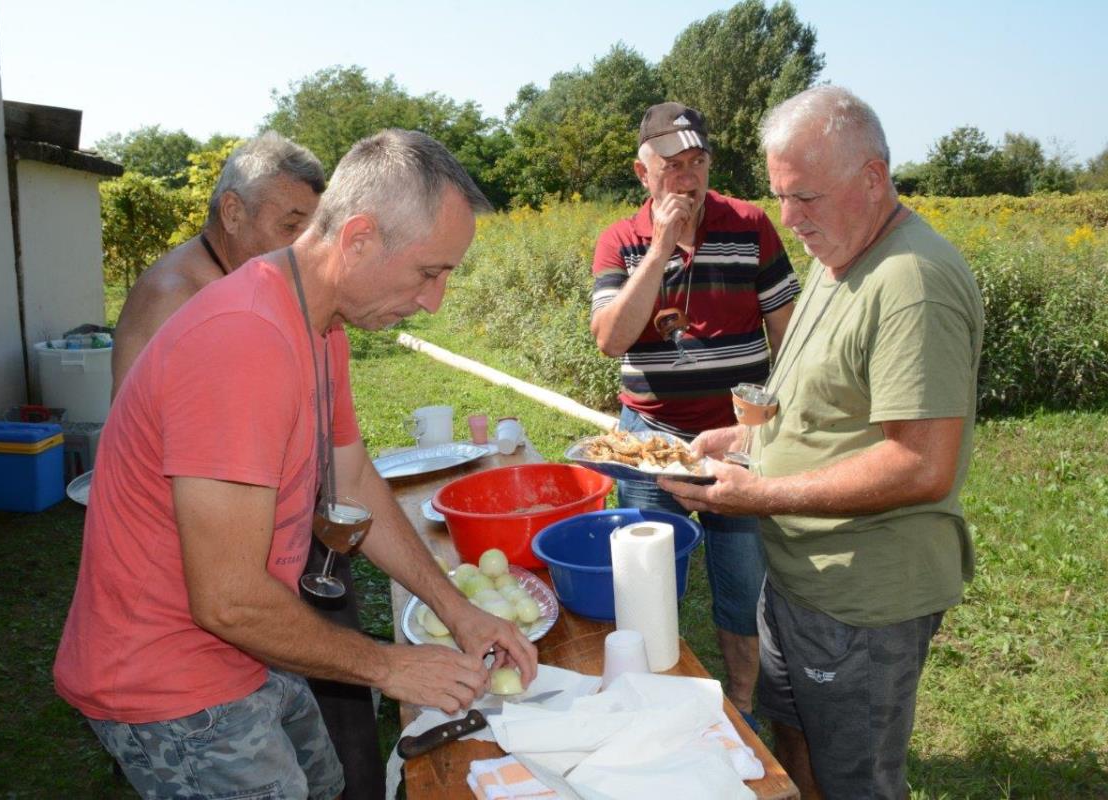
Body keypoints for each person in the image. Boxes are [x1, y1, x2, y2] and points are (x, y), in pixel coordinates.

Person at [54, 129, 538, 800]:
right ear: (359, 237)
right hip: (170, 678)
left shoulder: (320, 322)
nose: (436, 301)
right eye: (430, 272)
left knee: (328, 783)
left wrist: (457, 610)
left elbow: (357, 479)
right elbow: (225, 598)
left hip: (253, 639)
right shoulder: (242, 341)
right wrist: (389, 666)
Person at [660, 86, 984, 799]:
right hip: (802, 582)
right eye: (780, 196)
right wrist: (743, 442)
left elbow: (921, 464)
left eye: (805, 197)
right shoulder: (841, 257)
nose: (789, 219)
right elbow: (826, 401)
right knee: (798, 739)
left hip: (862, 601)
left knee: (856, 779)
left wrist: (761, 494)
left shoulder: (911, 283)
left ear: (872, 179)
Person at [589, 102, 799, 721]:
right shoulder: (621, 240)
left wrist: (770, 424)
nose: (688, 178)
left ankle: (739, 706)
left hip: (736, 443)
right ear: (642, 172)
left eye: (698, 161)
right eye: (672, 165)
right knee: (644, 583)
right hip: (650, 443)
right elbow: (611, 338)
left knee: (743, 585)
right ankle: (654, 702)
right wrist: (656, 252)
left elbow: (788, 331)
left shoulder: (750, 224)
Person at [111, 131, 325, 398]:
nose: (303, 246)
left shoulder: (243, 278)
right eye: (290, 226)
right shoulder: (172, 297)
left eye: (310, 231)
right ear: (232, 213)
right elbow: (136, 430)